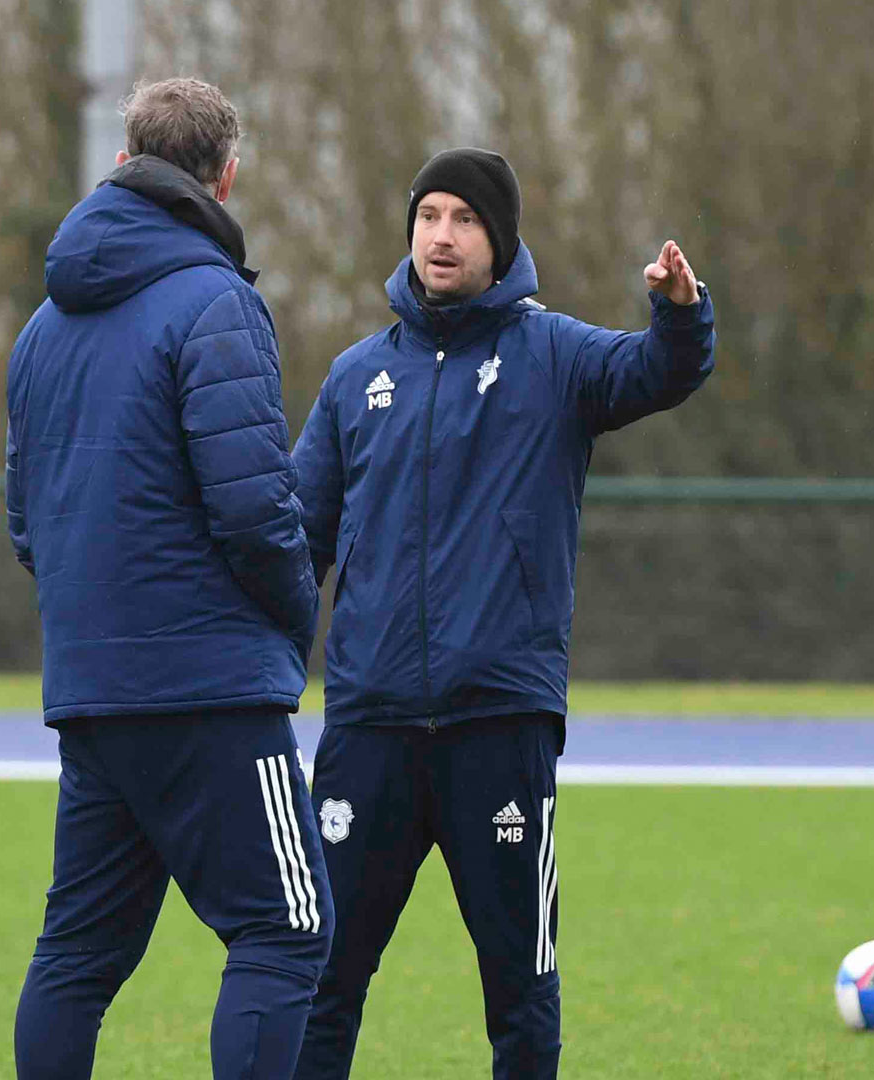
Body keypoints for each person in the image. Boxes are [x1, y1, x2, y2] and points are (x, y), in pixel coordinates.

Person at [289, 147, 716, 1079]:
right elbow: (295, 544)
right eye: (429, 214)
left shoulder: (554, 356)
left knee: (520, 992)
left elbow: (657, 372)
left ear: (502, 239)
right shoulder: (357, 377)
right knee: (318, 983)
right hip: (368, 727)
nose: (442, 236)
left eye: (465, 219)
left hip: (499, 726)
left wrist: (679, 315)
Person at [4, 77, 331, 1080]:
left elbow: (26, 523)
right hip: (210, 686)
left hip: (93, 692)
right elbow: (252, 506)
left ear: (121, 163)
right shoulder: (217, 303)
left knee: (78, 956)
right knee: (287, 931)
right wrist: (290, 619)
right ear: (224, 178)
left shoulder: (40, 329)